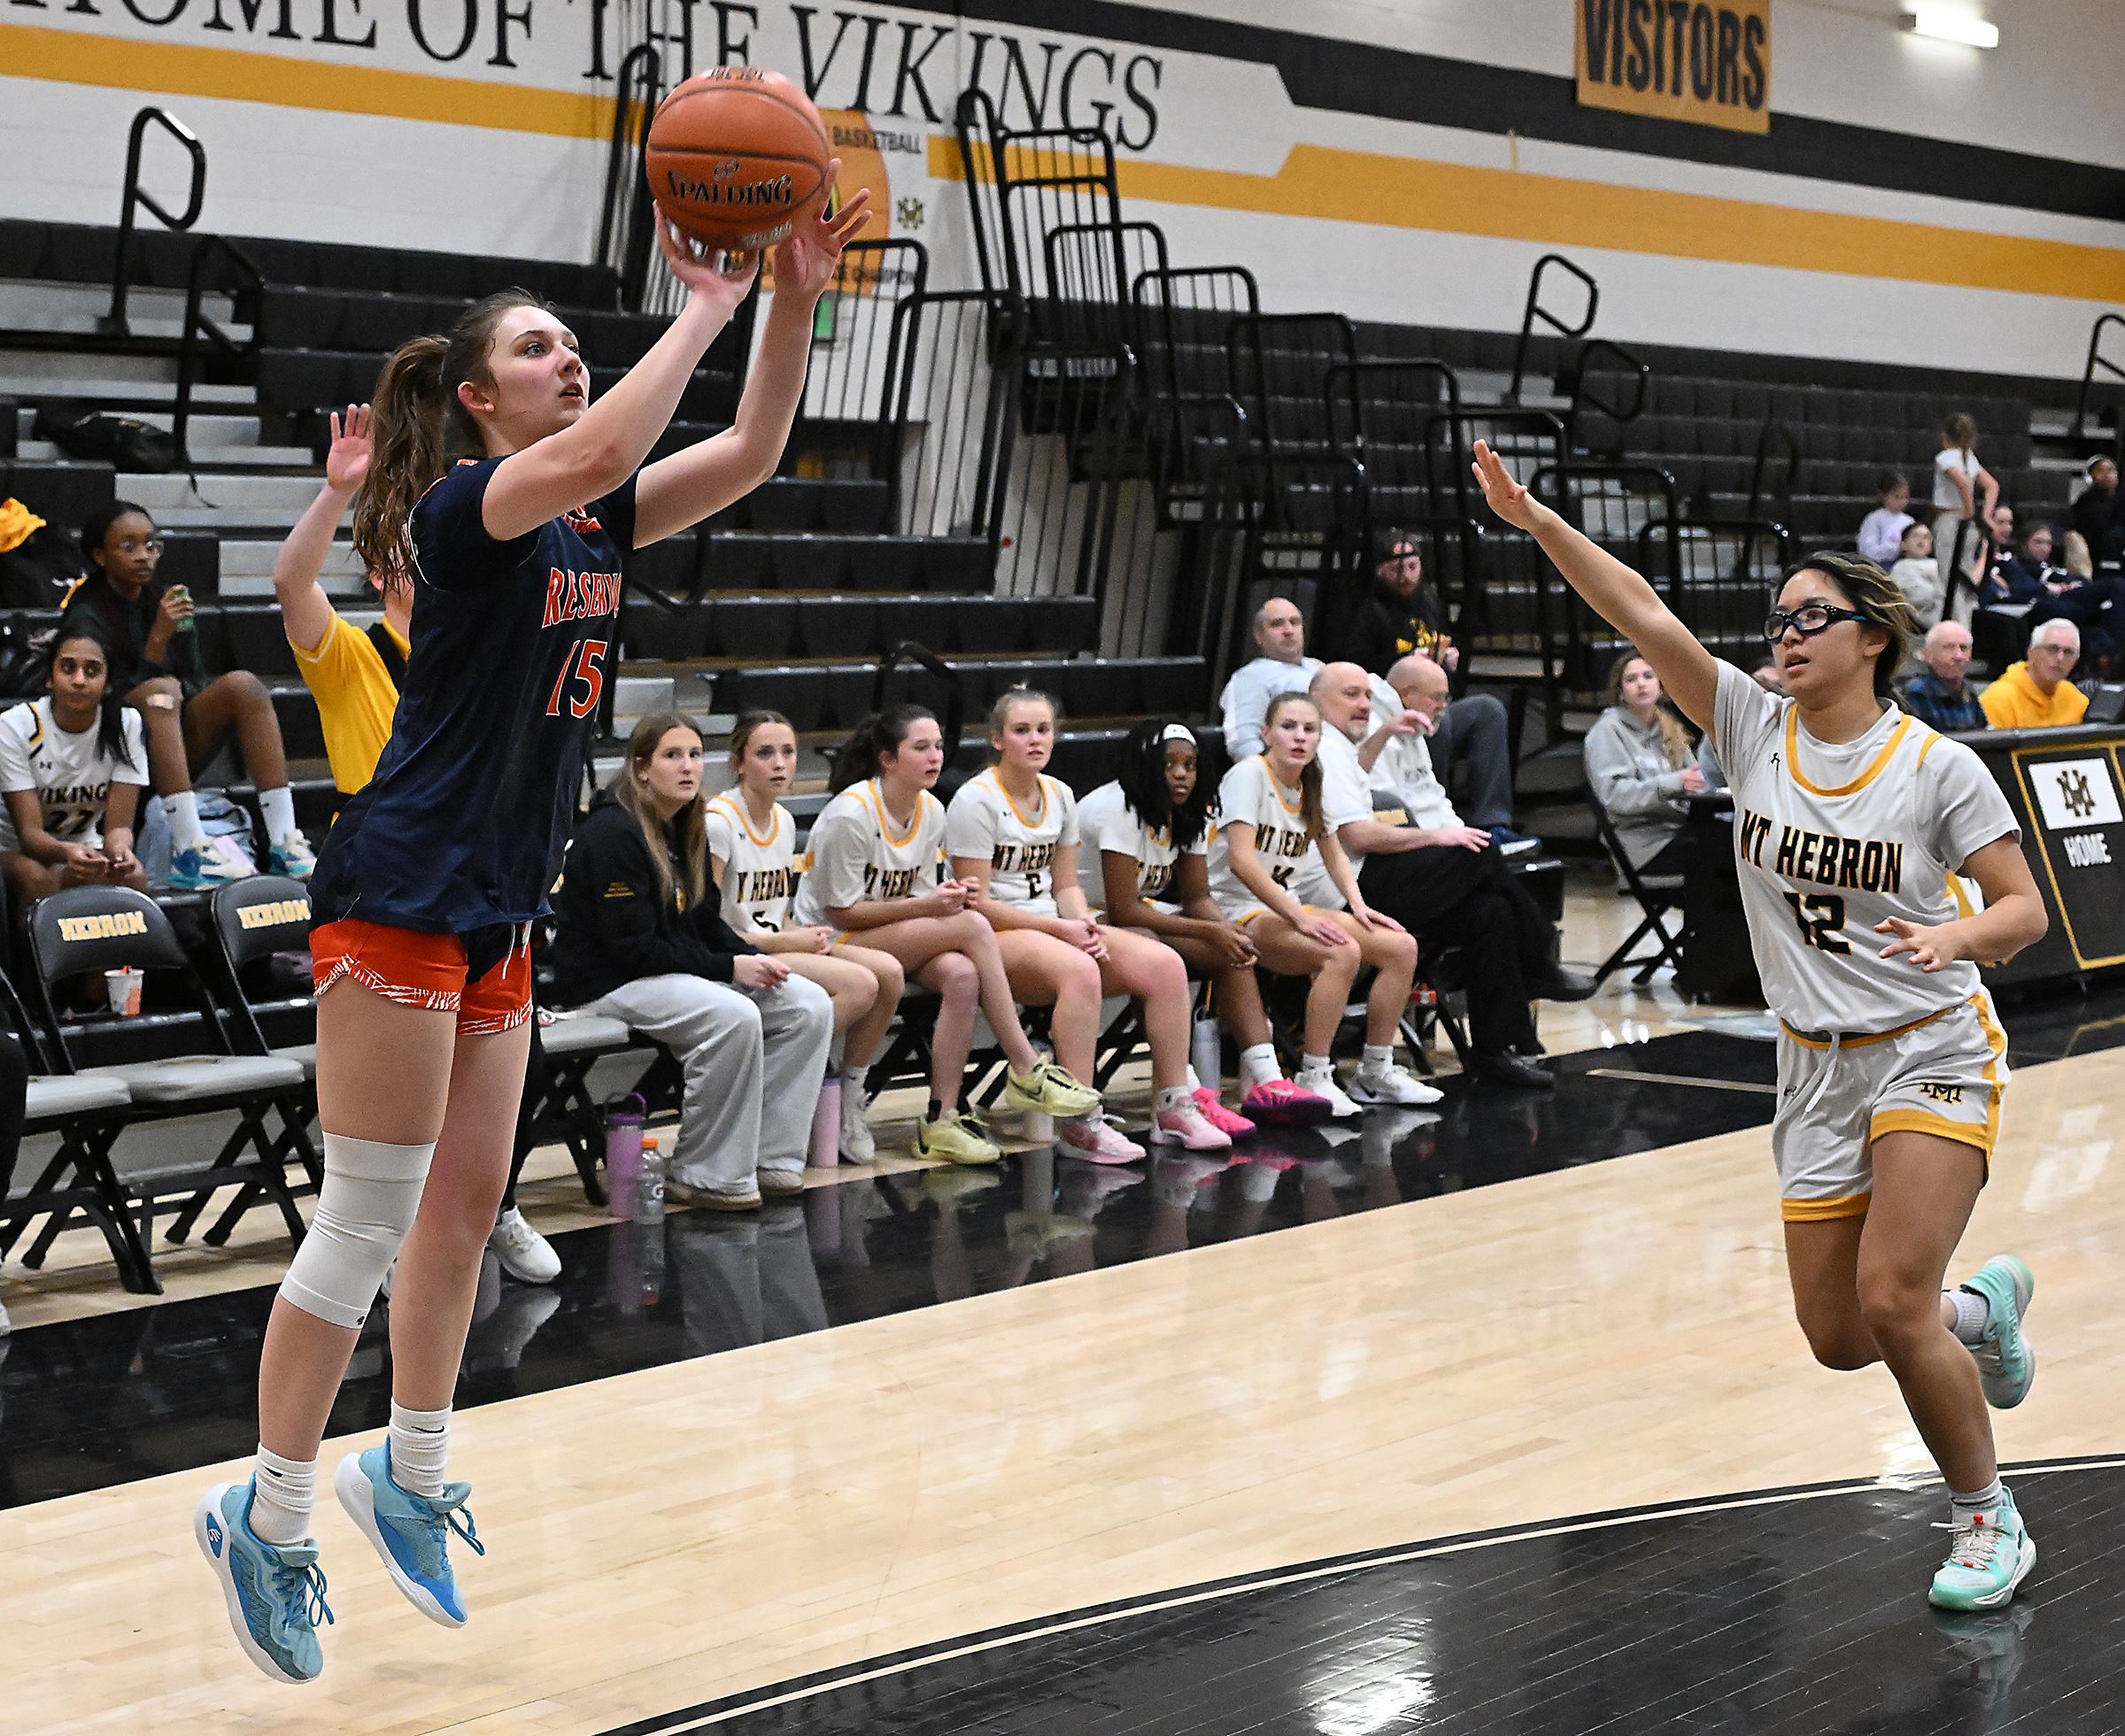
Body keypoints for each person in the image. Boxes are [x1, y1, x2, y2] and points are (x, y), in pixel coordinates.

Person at [194, 179, 873, 1687]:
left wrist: (791, 299)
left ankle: (411, 1471)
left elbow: (752, 450)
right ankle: (268, 1513)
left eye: (574, 344)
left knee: (465, 1214)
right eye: (540, 347)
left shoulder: (591, 516)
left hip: (501, 901)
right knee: (364, 1223)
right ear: (478, 395)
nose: (568, 359)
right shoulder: (465, 513)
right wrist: (705, 302)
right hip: (399, 892)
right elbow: (605, 445)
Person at [1472, 437, 2048, 1613]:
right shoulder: (1748, 726)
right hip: (1813, 1067)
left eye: (1811, 617)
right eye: (1777, 618)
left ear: (1873, 636)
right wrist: (1537, 522)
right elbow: (1640, 611)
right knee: (1841, 1333)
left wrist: (1956, 937)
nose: (1784, 634)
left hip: (1931, 1045)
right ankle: (1981, 1313)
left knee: (1892, 1298)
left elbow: (2025, 909)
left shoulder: (1936, 768)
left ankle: (1989, 1515)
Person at [273, 403, 560, 1291]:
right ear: (380, 574)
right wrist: (336, 494)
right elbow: (290, 582)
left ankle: (492, 1204)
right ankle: (386, 1234)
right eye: (401, 556)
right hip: (390, 879)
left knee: (509, 1073)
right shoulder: (354, 657)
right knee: (394, 1127)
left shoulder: (488, 649)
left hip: (478, 877)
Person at [794, 703, 1101, 1165]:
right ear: (888, 759)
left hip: (890, 933)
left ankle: (942, 1118)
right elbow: (842, 913)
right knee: (973, 924)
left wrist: (946, 898)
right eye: (921, 747)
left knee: (962, 974)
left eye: (938, 746)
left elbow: (918, 901)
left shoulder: (932, 809)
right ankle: (1025, 1065)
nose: (935, 756)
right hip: (830, 940)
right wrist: (932, 907)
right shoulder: (851, 815)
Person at [548, 712, 834, 1206]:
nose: (688, 767)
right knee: (733, 1016)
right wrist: (729, 968)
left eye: (696, 755)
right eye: (672, 755)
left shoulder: (686, 820)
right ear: (642, 767)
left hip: (663, 971)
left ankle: (772, 1157)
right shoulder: (613, 831)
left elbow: (703, 920)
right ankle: (706, 1172)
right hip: (605, 981)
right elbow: (634, 950)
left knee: (807, 1004)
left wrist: (750, 959)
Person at [949, 688, 1232, 1160]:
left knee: (1165, 964)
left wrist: (1084, 924)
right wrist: (1063, 931)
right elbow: (975, 904)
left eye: (1043, 730)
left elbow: (1065, 886)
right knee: (1080, 970)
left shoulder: (1060, 794)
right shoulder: (976, 800)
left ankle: (1174, 1105)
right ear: (997, 739)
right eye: (1021, 731)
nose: (1035, 740)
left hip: (1052, 927)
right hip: (993, 935)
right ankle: (1081, 1123)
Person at [1311, 659, 1591, 1093]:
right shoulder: (1323, 747)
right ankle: (1539, 960)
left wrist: (1384, 733)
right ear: (1316, 700)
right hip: (1346, 891)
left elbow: (1359, 774)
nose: (1364, 703)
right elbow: (1357, 835)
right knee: (1477, 854)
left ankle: (1494, 1051)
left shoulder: (1343, 745)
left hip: (1368, 878)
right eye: (1351, 695)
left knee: (1490, 911)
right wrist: (1437, 837)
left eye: (1367, 694)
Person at [1076, 719, 1329, 1126]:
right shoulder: (1118, 806)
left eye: (1189, 765)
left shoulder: (1191, 810)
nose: (1181, 774)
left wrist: (1227, 931)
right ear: (1144, 765)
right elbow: (1124, 911)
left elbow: (1196, 898)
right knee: (1150, 947)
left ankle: (1268, 1082)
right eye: (1168, 764)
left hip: (1135, 912)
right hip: (1078, 914)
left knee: (1230, 951)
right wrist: (1210, 929)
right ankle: (1187, 1092)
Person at [69, 501, 314, 890]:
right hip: (113, 755)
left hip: (169, 749)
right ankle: (190, 851)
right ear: (99, 555)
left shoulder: (165, 601)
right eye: (129, 546)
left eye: (151, 545)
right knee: (161, 693)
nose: (144, 555)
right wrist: (157, 642)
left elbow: (195, 682)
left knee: (244, 685)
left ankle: (285, 842)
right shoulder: (85, 615)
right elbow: (97, 702)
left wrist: (175, 673)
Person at [1206, 690, 1423, 1117]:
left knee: (1401, 947)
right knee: (1341, 952)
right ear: (1266, 733)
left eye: (1310, 729)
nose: (1299, 737)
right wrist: (1298, 919)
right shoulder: (1249, 775)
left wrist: (1358, 906)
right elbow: (1241, 862)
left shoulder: (1312, 779)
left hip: (1284, 905)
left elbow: (1333, 851)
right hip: (1234, 909)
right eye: (1288, 727)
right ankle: (1315, 1074)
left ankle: (1375, 1071)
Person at [705, 709, 905, 1163]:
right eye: (765, 753)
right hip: (739, 954)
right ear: (737, 763)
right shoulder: (718, 822)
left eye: (788, 752)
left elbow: (777, 915)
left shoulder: (782, 819)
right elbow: (709, 928)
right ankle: (776, 1089)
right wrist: (786, 942)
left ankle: (848, 1095)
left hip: (777, 945)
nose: (779, 763)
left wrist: (802, 932)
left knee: (889, 974)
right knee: (860, 984)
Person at [0, 620, 149, 905]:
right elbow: (30, 835)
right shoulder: (15, 726)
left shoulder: (126, 724)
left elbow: (119, 827)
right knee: (40, 879)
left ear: (107, 684)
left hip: (82, 846)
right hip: (12, 848)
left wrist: (120, 852)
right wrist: (67, 852)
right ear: (50, 678)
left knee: (133, 877)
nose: (79, 680)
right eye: (68, 668)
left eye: (92, 671)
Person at [1583, 650, 1708, 875]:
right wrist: (1675, 782)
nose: (1641, 684)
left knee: (1733, 840)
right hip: (1642, 846)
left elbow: (1697, 779)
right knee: (1719, 854)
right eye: (1631, 680)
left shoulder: (1669, 726)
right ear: (1620, 691)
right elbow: (1615, 795)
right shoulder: (1607, 731)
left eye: (1648, 676)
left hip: (1678, 830)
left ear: (1660, 685)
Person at [1219, 595, 1322, 760]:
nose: (1288, 631)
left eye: (1294, 622)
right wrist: (1275, 771)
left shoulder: (1319, 668)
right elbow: (1242, 741)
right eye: (1277, 624)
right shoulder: (1250, 677)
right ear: (1258, 635)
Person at [1341, 529, 1455, 675]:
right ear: (1380, 570)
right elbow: (1357, 663)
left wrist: (1450, 655)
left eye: (1412, 567)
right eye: (1397, 569)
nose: (1406, 576)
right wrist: (1407, 661)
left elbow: (1444, 638)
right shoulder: (1368, 610)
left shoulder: (1430, 601)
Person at [1931, 413, 1998, 604]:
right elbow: (1992, 485)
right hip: (1969, 525)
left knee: (1947, 578)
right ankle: (1964, 617)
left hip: (1951, 519)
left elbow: (1965, 484)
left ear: (1944, 436)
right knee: (1964, 576)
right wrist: (1986, 515)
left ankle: (1950, 618)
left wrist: (1969, 511)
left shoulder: (1945, 457)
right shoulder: (1969, 457)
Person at [1979, 620, 2089, 729]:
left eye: (2068, 652)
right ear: (2031, 653)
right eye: (2052, 649)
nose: (2060, 658)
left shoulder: (2076, 700)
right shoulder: (1999, 698)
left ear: (2075, 661)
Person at [1897, 622, 1987, 734]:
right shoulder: (1917, 691)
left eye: (1964, 648)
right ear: (1927, 654)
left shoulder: (1968, 689)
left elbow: (1982, 733)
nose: (1958, 656)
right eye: (1949, 647)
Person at [1887, 521, 1943, 633]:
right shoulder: (1901, 568)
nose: (1921, 541)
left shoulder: (1940, 565)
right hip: (1920, 628)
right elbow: (1922, 597)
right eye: (1916, 536)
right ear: (1903, 544)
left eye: (1926, 537)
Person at [2067, 455, 2121, 574]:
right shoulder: (2086, 501)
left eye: (2111, 470)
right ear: (2091, 476)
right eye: (2101, 471)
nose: (2108, 475)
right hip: (2096, 550)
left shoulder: (2120, 498)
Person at [1857, 473, 1914, 569]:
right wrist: (1894, 550)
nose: (1902, 502)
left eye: (1905, 497)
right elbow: (1867, 549)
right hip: (1880, 566)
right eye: (1897, 497)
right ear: (1882, 495)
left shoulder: (1909, 521)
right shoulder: (1874, 519)